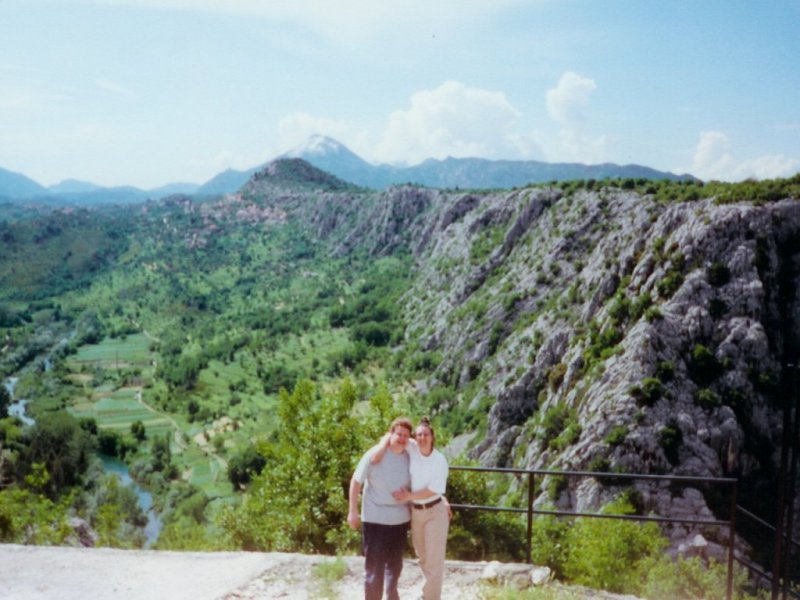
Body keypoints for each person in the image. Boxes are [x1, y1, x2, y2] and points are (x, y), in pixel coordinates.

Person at [374, 417, 450, 600]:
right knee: (422, 557)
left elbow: (434, 489)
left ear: (432, 437)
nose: (422, 437)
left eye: (426, 434)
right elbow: (393, 434)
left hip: (434, 512)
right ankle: (427, 594)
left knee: (434, 562)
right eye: (419, 435)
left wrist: (409, 496)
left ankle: (431, 597)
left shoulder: (439, 460)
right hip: (416, 513)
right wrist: (380, 450)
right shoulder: (413, 448)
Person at [348, 417, 413, 600]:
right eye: (398, 434)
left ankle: (392, 597)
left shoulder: (410, 456)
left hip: (399, 521)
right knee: (374, 568)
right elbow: (356, 482)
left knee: (395, 567)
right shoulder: (374, 455)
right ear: (391, 433)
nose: (402, 438)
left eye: (405, 436)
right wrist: (353, 511)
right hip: (375, 520)